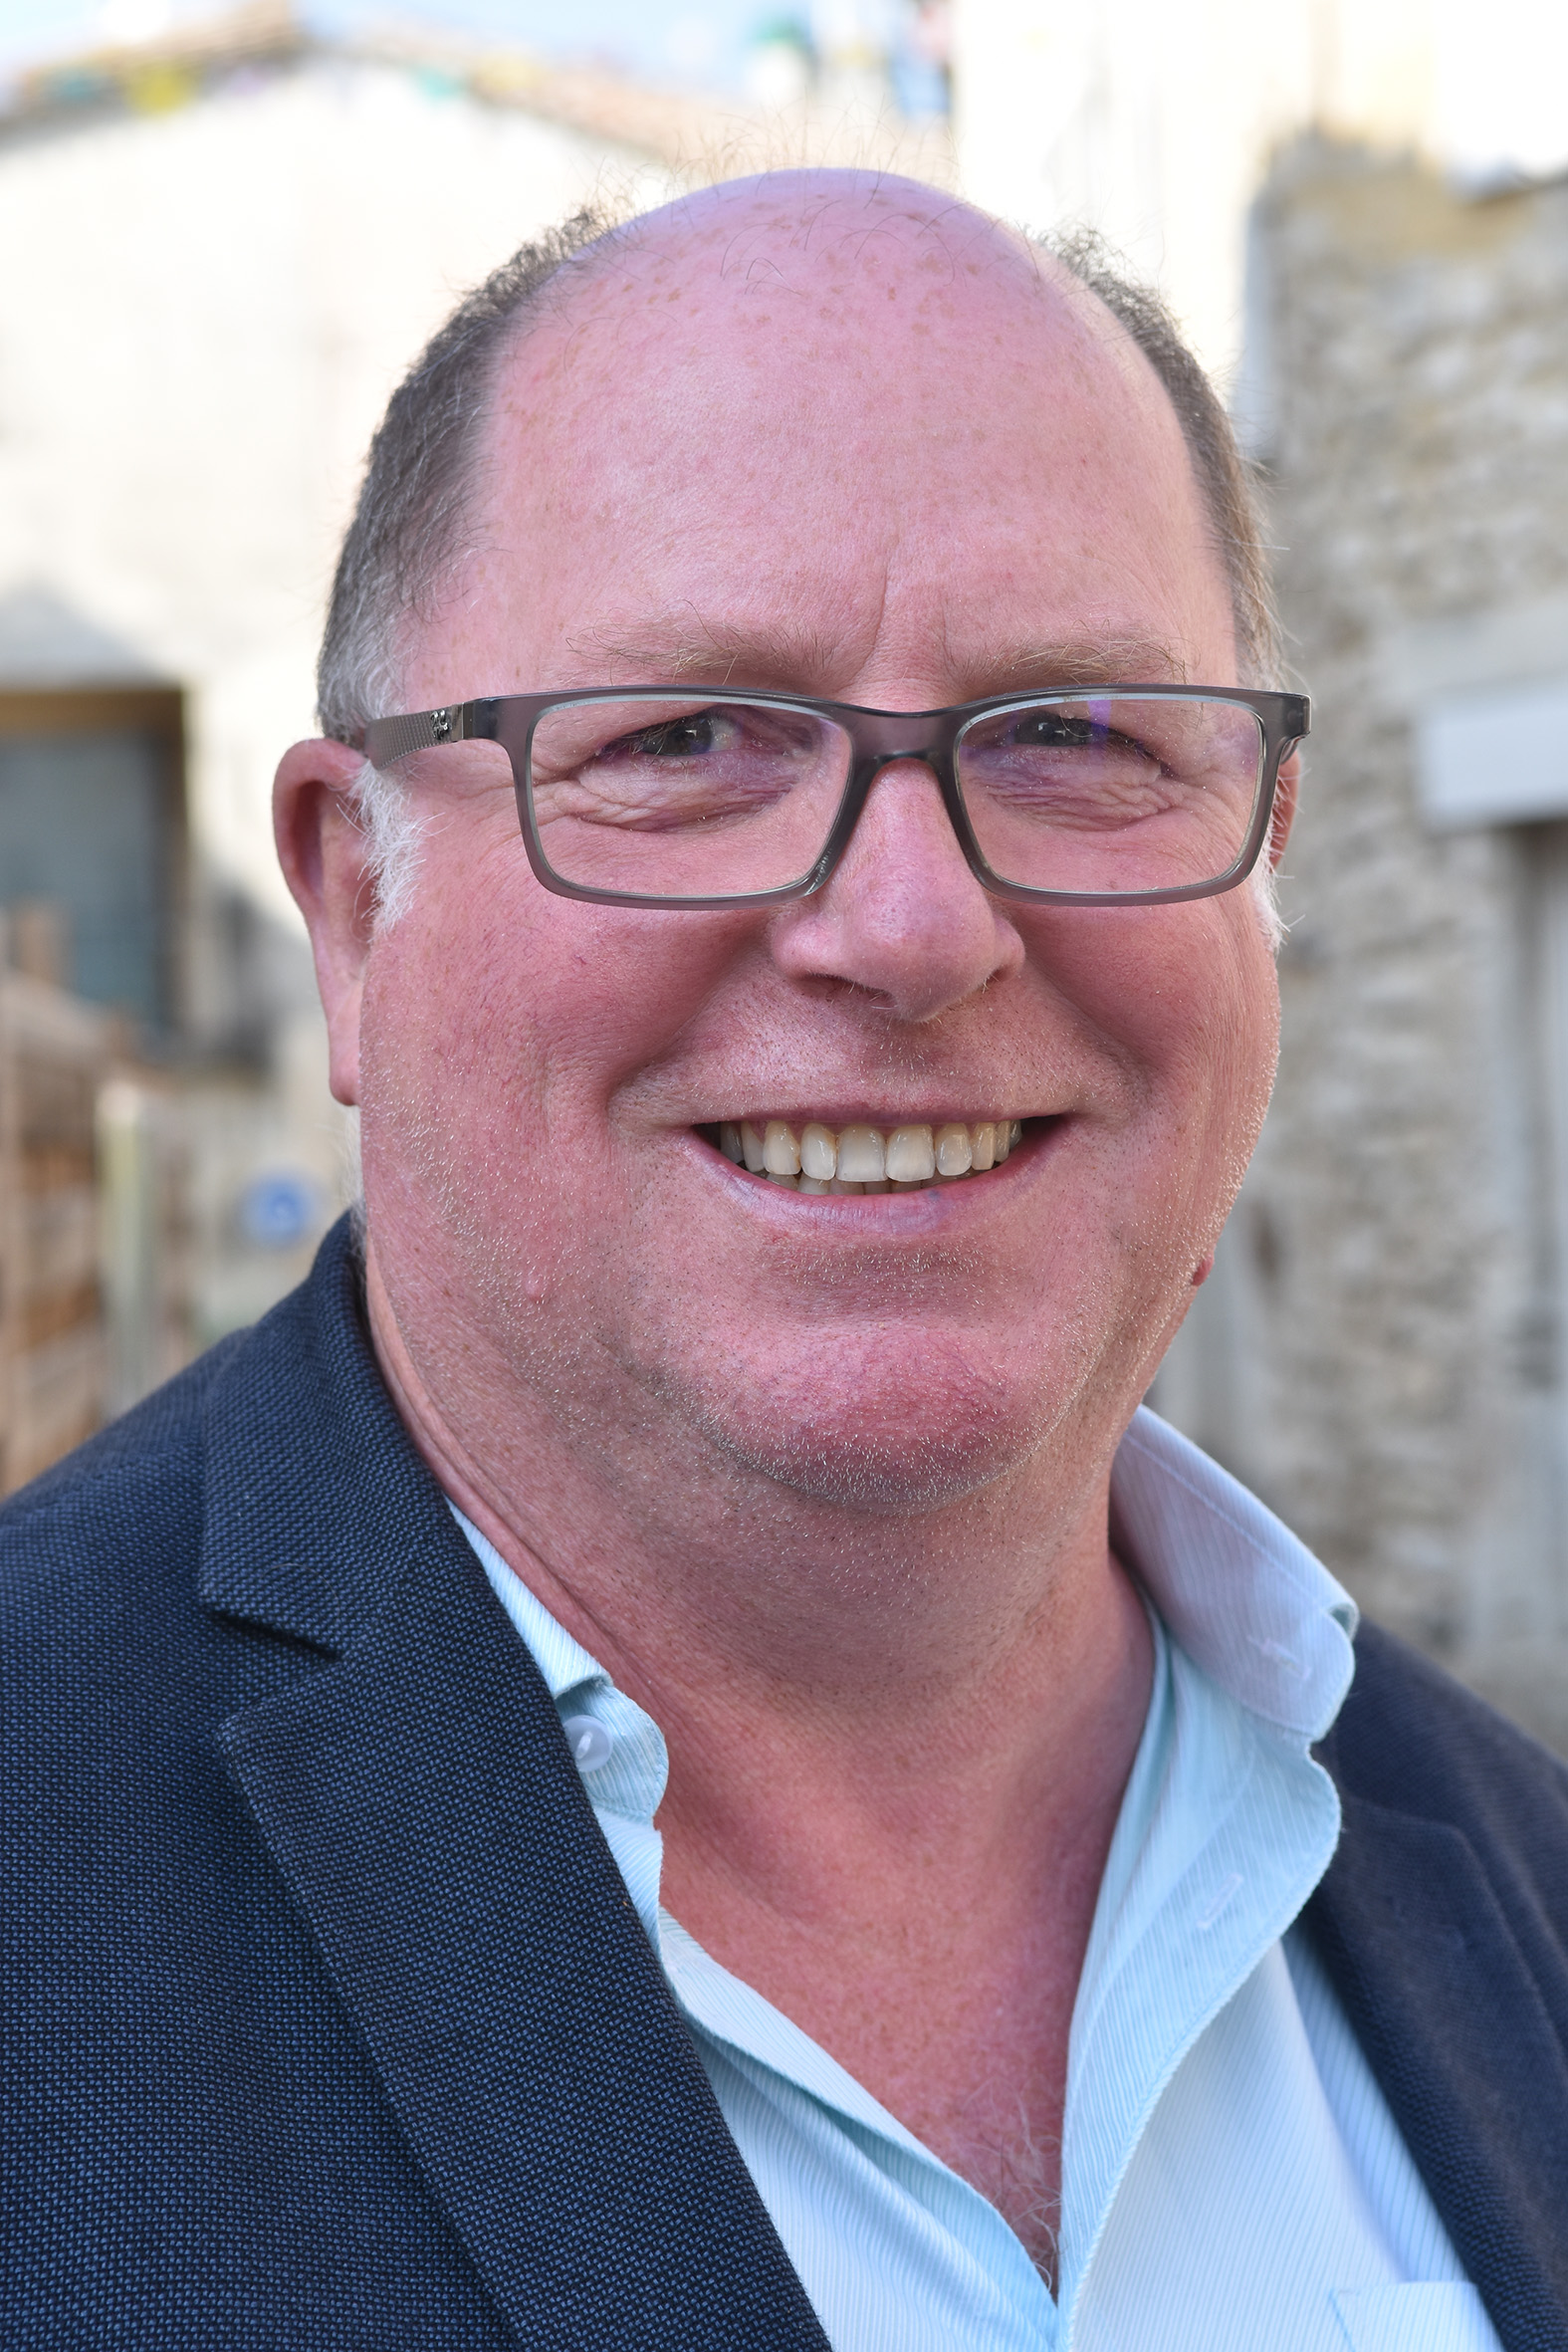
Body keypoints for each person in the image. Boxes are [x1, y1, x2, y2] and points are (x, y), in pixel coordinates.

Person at [4, 172, 1565, 2352]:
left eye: (1074, 735)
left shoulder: (1512, 1879)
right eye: (686, 739)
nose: (912, 927)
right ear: (355, 906)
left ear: (1262, 874)